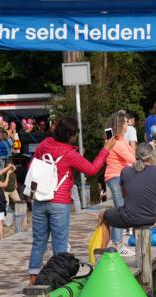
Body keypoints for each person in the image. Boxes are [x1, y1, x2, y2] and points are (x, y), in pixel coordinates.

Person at [27, 117, 111, 282]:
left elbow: (32, 166)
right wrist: (105, 149)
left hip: (39, 198)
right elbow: (92, 169)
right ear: (71, 135)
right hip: (59, 202)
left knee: (39, 241)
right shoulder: (69, 153)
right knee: (60, 243)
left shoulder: (44, 144)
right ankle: (58, 279)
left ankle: (33, 278)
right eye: (76, 132)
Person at [93, 143, 156, 258]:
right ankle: (141, 254)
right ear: (151, 157)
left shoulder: (125, 171)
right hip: (150, 218)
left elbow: (124, 195)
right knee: (138, 215)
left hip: (128, 217)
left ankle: (101, 256)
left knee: (103, 216)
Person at [104, 111, 136, 250]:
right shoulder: (116, 142)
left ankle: (118, 243)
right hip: (115, 176)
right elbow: (131, 159)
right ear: (120, 125)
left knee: (121, 209)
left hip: (119, 176)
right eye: (125, 122)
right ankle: (117, 244)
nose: (127, 124)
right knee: (120, 210)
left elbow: (132, 153)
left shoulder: (121, 139)